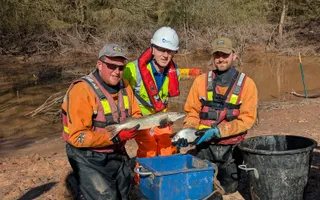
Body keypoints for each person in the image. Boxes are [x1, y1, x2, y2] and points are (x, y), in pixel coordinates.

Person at [61, 43, 142, 200]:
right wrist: (117, 136)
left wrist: (139, 125)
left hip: (115, 151)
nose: (117, 71)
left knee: (125, 193)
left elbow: (136, 113)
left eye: (121, 67)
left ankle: (81, 184)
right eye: (111, 66)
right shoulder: (81, 90)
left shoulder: (125, 85)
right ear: (99, 64)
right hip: (86, 154)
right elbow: (78, 137)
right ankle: (79, 184)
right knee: (107, 197)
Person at [179, 37, 258, 195]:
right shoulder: (201, 81)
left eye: (225, 55)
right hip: (204, 146)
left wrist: (218, 131)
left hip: (231, 149)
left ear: (234, 55)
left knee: (229, 190)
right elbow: (192, 112)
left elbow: (247, 120)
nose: (220, 59)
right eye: (217, 55)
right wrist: (189, 131)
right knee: (202, 190)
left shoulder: (248, 85)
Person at [123, 26, 180, 160]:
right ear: (152, 49)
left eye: (170, 51)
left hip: (161, 117)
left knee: (167, 148)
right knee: (149, 150)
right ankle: (144, 179)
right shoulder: (132, 69)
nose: (165, 55)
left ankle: (165, 176)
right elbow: (115, 88)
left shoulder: (173, 71)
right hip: (141, 118)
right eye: (161, 50)